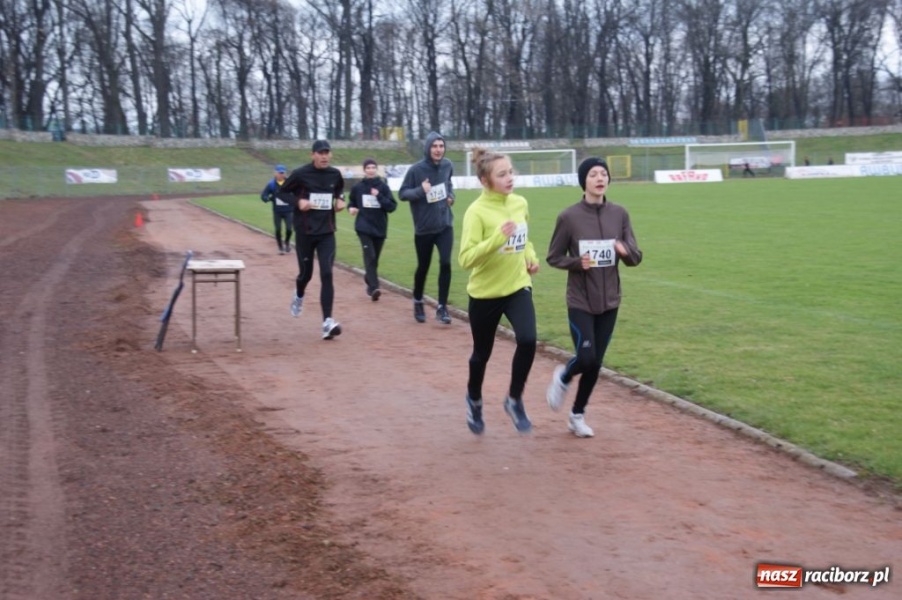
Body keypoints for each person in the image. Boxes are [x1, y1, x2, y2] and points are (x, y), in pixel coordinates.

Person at [545, 158, 642, 438]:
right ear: (584, 181)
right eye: (593, 174)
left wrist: (625, 252)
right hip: (580, 300)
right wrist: (577, 263)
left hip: (610, 300)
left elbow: (636, 256)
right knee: (586, 357)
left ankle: (577, 415)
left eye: (603, 174)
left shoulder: (620, 214)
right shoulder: (568, 217)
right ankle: (563, 377)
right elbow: (553, 257)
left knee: (595, 363)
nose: (600, 178)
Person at [458, 148, 540, 434]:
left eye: (510, 172)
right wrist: (496, 238)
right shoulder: (476, 212)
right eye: (502, 174)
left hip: (517, 286)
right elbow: (466, 259)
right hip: (485, 294)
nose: (509, 178)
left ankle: (514, 399)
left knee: (528, 340)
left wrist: (531, 256)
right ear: (485, 180)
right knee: (482, 354)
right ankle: (474, 399)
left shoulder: (520, 203)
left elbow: (524, 239)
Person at [281, 139, 346, 340]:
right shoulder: (301, 174)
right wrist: (298, 201)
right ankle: (299, 294)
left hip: (326, 231)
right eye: (320, 153)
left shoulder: (335, 174)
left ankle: (327, 322)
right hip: (305, 232)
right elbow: (281, 192)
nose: (324, 156)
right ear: (313, 155)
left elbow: (339, 191)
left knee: (327, 273)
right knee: (306, 275)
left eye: (327, 152)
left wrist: (340, 200)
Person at [399, 131, 455, 325]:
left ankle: (442, 307)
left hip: (445, 225)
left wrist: (451, 197)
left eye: (441, 146)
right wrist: (420, 191)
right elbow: (403, 194)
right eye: (434, 146)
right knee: (423, 266)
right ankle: (418, 300)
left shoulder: (448, 165)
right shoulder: (416, 170)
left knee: (446, 263)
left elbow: (449, 184)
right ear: (428, 148)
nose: (438, 150)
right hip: (424, 228)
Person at [348, 158, 397, 300]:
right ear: (364, 170)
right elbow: (352, 201)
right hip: (363, 227)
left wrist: (379, 196)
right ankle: (374, 287)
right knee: (370, 256)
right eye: (368, 168)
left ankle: (369, 278)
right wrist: (351, 208)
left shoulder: (383, 187)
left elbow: (392, 207)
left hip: (379, 228)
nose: (370, 170)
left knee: (374, 260)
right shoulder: (358, 187)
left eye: (373, 167)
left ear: (376, 170)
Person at [260, 164, 294, 254]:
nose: (281, 175)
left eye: (283, 173)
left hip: (289, 211)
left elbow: (297, 193)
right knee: (278, 229)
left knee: (289, 229)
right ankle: (280, 247)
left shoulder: (290, 183)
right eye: (279, 173)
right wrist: (267, 199)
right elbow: (263, 195)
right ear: (275, 173)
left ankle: (287, 242)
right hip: (277, 211)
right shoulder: (271, 184)